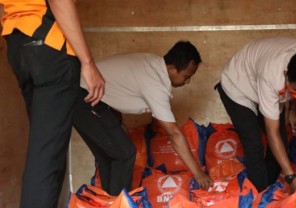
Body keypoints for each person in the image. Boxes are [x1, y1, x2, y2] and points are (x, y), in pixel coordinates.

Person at [0, 0, 105, 208]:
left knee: (46, 153)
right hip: (50, 47)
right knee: (46, 159)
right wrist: (88, 63)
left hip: (18, 44)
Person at [72, 40, 214, 195]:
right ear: (172, 69)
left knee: (109, 156)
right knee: (125, 152)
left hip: (82, 94)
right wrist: (198, 174)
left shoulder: (152, 63)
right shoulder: (154, 84)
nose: (188, 81)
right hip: (82, 96)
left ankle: (111, 205)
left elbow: (115, 89)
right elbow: (174, 134)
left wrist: (118, 123)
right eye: (186, 76)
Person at [215, 36, 296, 192]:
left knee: (282, 145)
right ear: (286, 74)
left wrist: (292, 111)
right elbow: (271, 131)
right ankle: (259, 199)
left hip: (260, 76)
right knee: (254, 144)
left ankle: (267, 190)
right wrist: (290, 176)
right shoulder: (272, 76)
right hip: (238, 84)